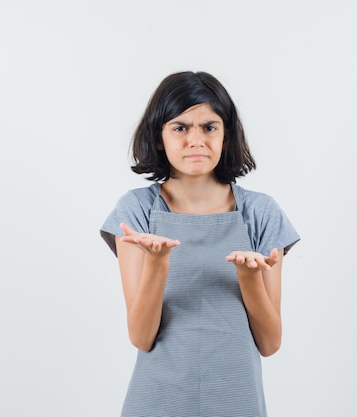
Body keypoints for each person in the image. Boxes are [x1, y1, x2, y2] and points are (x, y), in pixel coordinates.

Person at [99, 71, 300, 417]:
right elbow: (141, 337)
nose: (196, 140)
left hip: (238, 402)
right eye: (180, 127)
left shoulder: (261, 212)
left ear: (226, 135)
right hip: (157, 402)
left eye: (209, 127)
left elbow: (270, 343)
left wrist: (248, 277)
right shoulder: (136, 211)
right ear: (159, 137)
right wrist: (158, 262)